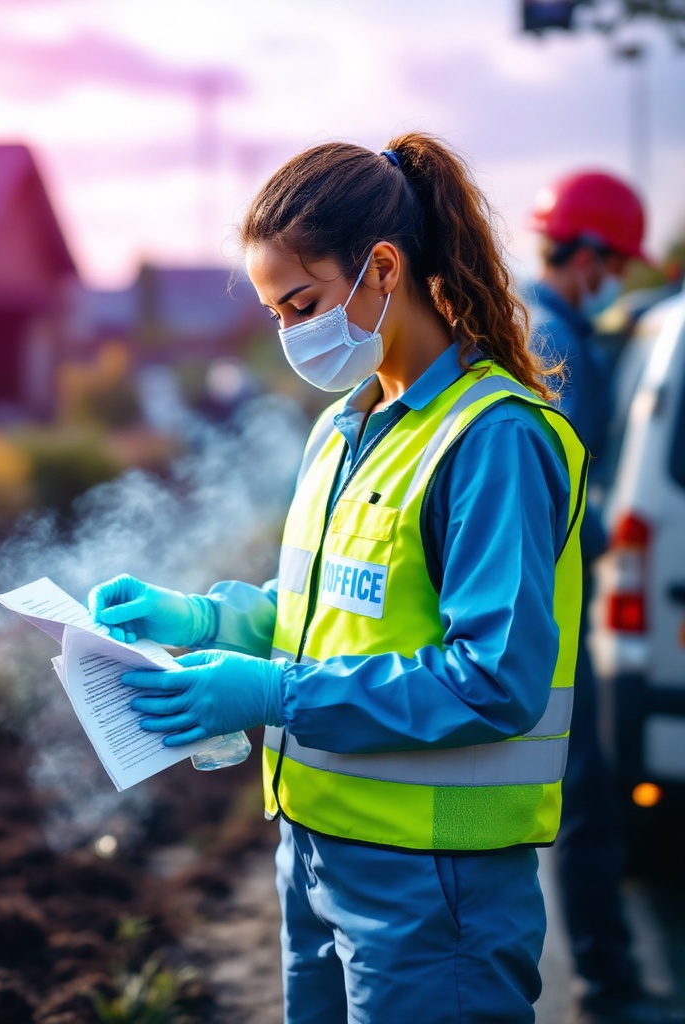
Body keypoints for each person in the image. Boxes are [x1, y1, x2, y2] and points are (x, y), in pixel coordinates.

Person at [88, 132, 589, 1024]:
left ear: (384, 268)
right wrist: (204, 623)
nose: (289, 332)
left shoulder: (494, 441)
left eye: (303, 302)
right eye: (277, 312)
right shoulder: (345, 429)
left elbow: (494, 681)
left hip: (437, 889)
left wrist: (275, 693)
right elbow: (328, 618)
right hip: (316, 859)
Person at [526, 171, 684, 1024]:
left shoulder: (525, 318)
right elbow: (560, 490)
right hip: (553, 613)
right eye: (615, 262)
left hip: (544, 606)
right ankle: (610, 987)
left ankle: (604, 977)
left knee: (570, 795)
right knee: (584, 797)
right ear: (585, 255)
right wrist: (609, 543)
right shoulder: (554, 340)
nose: (617, 279)